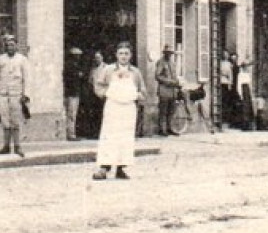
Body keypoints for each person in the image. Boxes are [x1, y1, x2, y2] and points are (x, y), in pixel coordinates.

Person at [94, 42, 144, 180]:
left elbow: (142, 90)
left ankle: (121, 168)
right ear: (116, 55)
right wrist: (107, 93)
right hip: (113, 107)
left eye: (126, 54)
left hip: (128, 108)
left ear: (131, 56)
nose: (123, 56)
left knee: (125, 138)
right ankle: (104, 168)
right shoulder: (109, 70)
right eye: (121, 53)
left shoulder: (135, 72)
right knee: (109, 136)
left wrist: (138, 96)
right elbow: (98, 86)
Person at [0, 34, 29, 157]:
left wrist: (26, 94)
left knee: (15, 121)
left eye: (12, 45)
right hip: (2, 94)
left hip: (16, 94)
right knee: (5, 121)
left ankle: (17, 146)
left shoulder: (22, 59)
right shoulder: (1, 59)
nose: (10, 47)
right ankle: (6, 146)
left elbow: (26, 78)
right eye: (7, 45)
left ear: (16, 46)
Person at [154, 45, 181, 135]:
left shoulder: (172, 63)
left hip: (173, 91)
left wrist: (177, 82)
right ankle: (162, 129)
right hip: (164, 90)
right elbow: (157, 76)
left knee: (171, 110)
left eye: (170, 53)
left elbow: (175, 75)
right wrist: (169, 82)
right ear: (164, 53)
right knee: (163, 111)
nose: (169, 55)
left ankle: (170, 128)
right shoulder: (161, 62)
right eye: (167, 53)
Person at [63, 46, 85, 141]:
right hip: (72, 93)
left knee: (71, 114)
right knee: (71, 114)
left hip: (73, 93)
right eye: (77, 55)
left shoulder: (72, 65)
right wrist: (78, 75)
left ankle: (71, 133)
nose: (78, 57)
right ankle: (71, 134)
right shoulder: (71, 66)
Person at [236, 56, 256, 131]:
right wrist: (240, 94)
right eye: (246, 67)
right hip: (243, 90)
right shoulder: (240, 74)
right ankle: (244, 126)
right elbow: (238, 85)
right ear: (243, 67)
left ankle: (249, 126)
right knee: (244, 109)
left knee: (248, 108)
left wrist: (251, 92)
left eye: (247, 67)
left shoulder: (247, 75)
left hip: (247, 91)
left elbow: (249, 84)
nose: (247, 68)